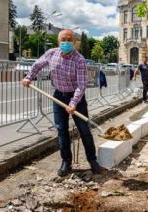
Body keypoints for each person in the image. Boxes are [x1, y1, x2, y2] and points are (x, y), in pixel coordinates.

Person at [22, 29, 103, 177]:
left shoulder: (79, 60)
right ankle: (66, 162)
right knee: (61, 130)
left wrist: (73, 103)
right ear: (59, 41)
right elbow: (38, 64)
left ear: (74, 42)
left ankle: (93, 161)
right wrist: (29, 77)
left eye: (69, 40)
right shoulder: (52, 53)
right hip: (59, 96)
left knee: (84, 130)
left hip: (76, 98)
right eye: (63, 40)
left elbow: (81, 85)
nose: (66, 42)